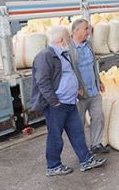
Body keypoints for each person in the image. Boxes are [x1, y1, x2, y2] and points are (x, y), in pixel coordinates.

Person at [30, 26, 107, 176]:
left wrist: (74, 89)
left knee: (77, 133)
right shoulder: (45, 55)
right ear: (61, 40)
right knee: (55, 136)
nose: (70, 40)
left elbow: (66, 75)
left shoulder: (62, 54)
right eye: (68, 37)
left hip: (69, 102)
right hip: (57, 105)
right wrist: (54, 101)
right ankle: (53, 166)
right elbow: (43, 82)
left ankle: (86, 160)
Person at [69, 19, 108, 154]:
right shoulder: (69, 49)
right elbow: (68, 72)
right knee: (79, 123)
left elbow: (93, 66)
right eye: (86, 29)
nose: (88, 31)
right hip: (79, 94)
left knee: (98, 117)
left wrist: (99, 81)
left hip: (94, 90)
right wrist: (75, 89)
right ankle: (82, 149)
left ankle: (96, 144)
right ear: (76, 31)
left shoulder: (89, 45)